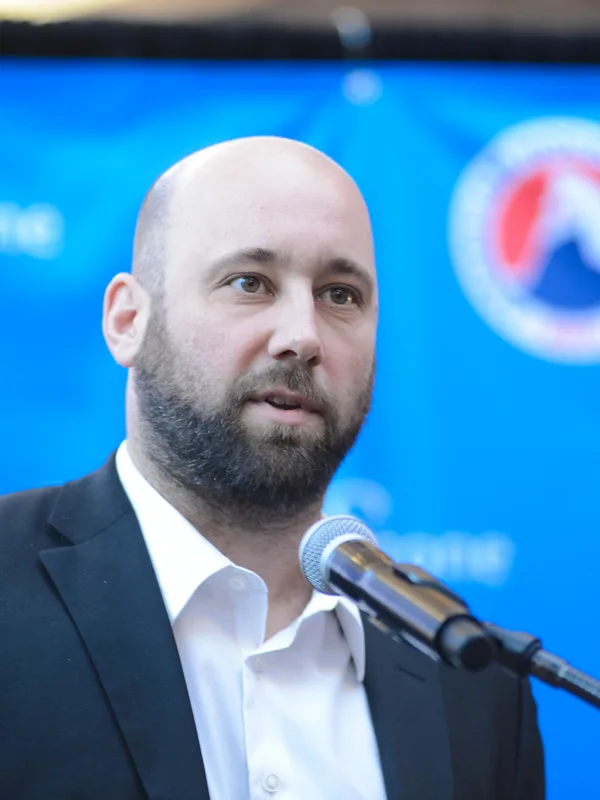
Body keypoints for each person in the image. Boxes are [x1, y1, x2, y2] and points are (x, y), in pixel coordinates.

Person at [0, 136, 544, 799]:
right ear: (128, 320)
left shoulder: (470, 674)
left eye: (340, 295)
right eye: (249, 283)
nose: (303, 336)